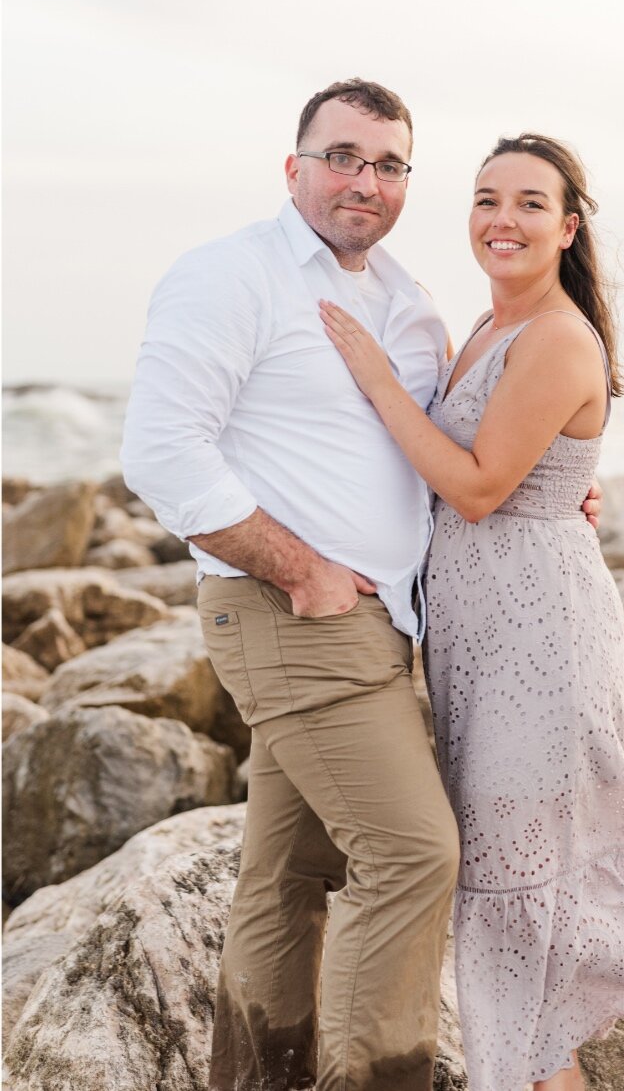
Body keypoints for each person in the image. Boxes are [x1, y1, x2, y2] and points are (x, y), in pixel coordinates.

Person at [317, 133, 624, 1091]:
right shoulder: (481, 328)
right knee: (549, 836)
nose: (501, 220)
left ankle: (563, 1054)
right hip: (478, 626)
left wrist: (376, 377)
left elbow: (476, 489)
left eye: (527, 203)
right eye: (485, 200)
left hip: (539, 625)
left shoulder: (558, 337)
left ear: (566, 228)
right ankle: (602, 1035)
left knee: (524, 847)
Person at [124, 78, 459, 1090]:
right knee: (412, 856)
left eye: (388, 163)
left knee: (284, 878)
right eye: (343, 157)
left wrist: (556, 494)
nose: (365, 180)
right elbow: (161, 450)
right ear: (295, 168)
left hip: (382, 625)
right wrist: (302, 568)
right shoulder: (233, 274)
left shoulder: (406, 302)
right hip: (293, 615)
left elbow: (434, 451)